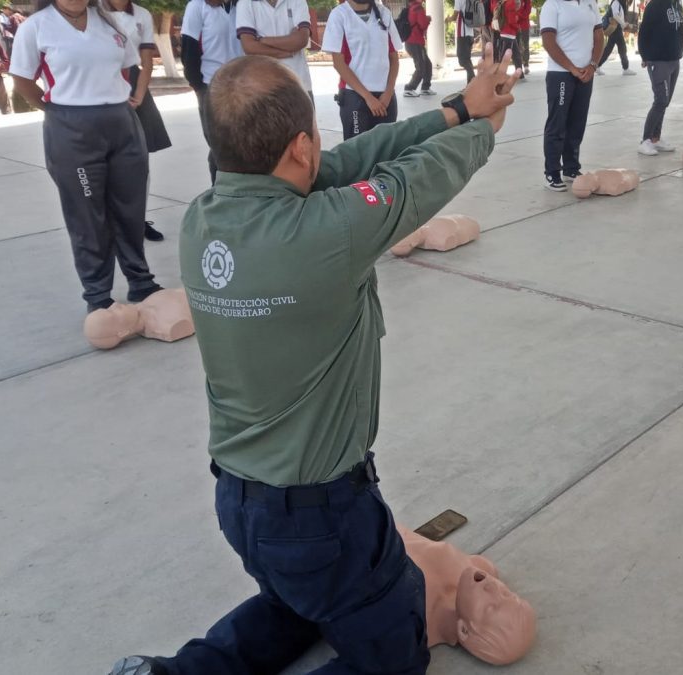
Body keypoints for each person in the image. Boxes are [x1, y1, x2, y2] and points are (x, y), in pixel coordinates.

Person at [106, 48, 519, 675]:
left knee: (294, 605)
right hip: (323, 516)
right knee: (392, 659)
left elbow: (349, 160)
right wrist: (482, 124)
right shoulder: (329, 232)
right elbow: (417, 178)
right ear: (302, 147)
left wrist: (458, 107)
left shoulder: (202, 221)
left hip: (243, 506)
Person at [9, 0, 163, 313]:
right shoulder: (35, 27)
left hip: (122, 124)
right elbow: (23, 81)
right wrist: (58, 110)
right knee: (87, 215)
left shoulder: (110, 23)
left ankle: (141, 282)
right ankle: (98, 294)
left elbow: (125, 66)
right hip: (72, 130)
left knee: (130, 208)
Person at [106, 0, 171, 242]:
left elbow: (146, 62)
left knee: (138, 160)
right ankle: (111, 222)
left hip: (134, 85)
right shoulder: (94, 12)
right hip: (103, 86)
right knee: (106, 161)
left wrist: (139, 95)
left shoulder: (142, 14)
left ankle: (137, 220)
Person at [540, 0, 603, 191]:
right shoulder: (552, 5)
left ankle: (571, 167)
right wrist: (571, 68)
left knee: (577, 123)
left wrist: (592, 66)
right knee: (557, 124)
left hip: (585, 74)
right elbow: (548, 42)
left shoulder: (591, 3)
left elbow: (599, 37)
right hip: (561, 74)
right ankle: (552, 172)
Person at [181, 0, 243, 184]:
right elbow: (188, 47)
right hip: (211, 85)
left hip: (243, 85)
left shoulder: (242, 5)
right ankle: (220, 194)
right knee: (219, 145)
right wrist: (198, 86)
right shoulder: (198, 6)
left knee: (244, 141)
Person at [322, 0, 402, 140]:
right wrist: (368, 97)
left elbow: (394, 58)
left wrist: (388, 92)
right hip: (355, 97)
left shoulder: (384, 13)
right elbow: (339, 63)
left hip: (386, 98)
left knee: (386, 151)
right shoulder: (339, 15)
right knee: (357, 152)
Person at [636, 0, 683, 155]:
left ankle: (656, 138)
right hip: (658, 60)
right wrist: (645, 55)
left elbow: (680, 29)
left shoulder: (677, 5)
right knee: (661, 100)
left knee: (665, 101)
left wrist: (680, 49)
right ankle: (645, 140)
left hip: (674, 59)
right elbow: (644, 31)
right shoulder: (655, 5)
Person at [236, 0, 313, 93]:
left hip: (298, 83)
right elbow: (250, 47)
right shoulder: (245, 3)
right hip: (262, 87)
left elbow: (301, 40)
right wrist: (287, 51)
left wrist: (262, 40)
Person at [403, 0, 435, 96]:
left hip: (411, 42)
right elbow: (423, 24)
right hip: (415, 42)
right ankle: (409, 88)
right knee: (421, 67)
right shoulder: (418, 8)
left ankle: (425, 87)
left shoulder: (411, 7)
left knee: (427, 64)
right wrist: (428, 19)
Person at [597, 0, 638, 76]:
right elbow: (615, 15)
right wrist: (623, 24)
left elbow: (619, 16)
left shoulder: (620, 3)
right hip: (615, 28)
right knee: (621, 48)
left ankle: (597, 66)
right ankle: (625, 68)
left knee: (609, 48)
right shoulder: (616, 2)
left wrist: (624, 25)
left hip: (616, 28)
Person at [492, 0, 526, 77]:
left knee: (515, 55)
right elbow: (511, 20)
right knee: (506, 56)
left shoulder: (505, 2)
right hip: (509, 33)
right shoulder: (511, 3)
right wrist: (517, 27)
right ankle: (500, 74)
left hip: (506, 32)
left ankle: (519, 73)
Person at [452, 0, 482, 82]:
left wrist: (448, 19)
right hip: (470, 33)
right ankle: (470, 84)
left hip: (462, 33)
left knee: (462, 60)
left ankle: (473, 80)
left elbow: (455, 16)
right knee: (467, 59)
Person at [517, 0, 532, 74]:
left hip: (524, 26)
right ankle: (518, 66)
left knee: (525, 45)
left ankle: (526, 65)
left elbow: (527, 11)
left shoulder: (527, 1)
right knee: (516, 47)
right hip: (514, 26)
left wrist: (517, 15)